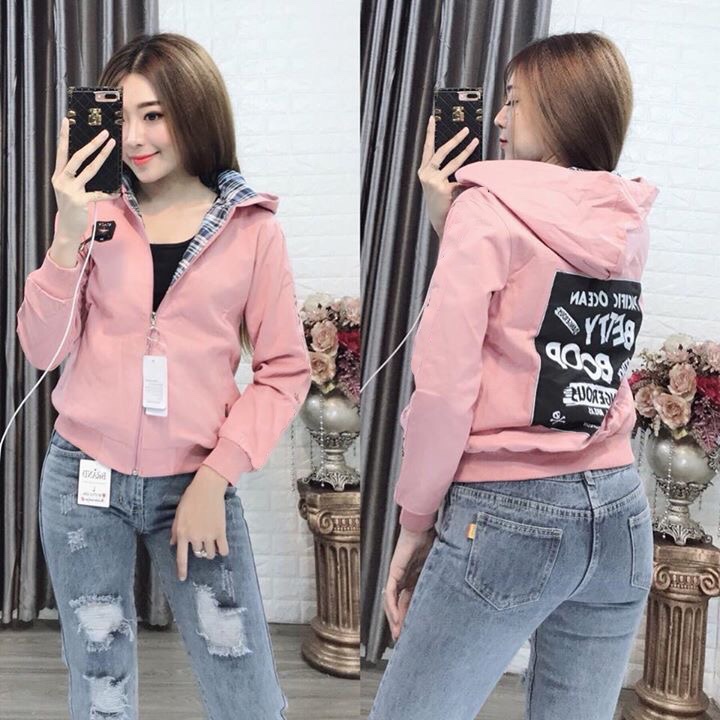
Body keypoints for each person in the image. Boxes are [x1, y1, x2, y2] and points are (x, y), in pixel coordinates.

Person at [16, 33, 310, 720]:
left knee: (246, 694)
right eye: (121, 118)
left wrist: (216, 476)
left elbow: (284, 372)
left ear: (195, 110)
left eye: (154, 114)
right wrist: (66, 235)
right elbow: (42, 351)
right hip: (84, 479)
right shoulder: (95, 215)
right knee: (101, 688)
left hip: (195, 482)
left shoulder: (253, 229)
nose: (135, 137)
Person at [369, 32, 658, 720]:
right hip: (621, 512)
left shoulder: (486, 209)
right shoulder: (626, 219)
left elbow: (445, 390)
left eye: (514, 101)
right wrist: (451, 222)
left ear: (561, 109)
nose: (498, 118)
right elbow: (548, 327)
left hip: (510, 514)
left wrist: (414, 524)